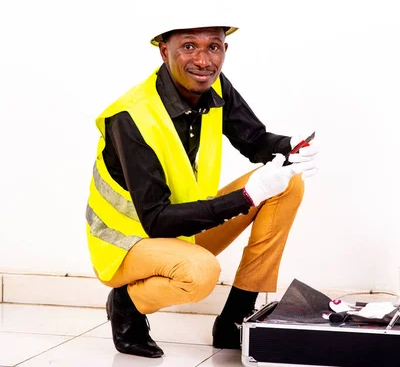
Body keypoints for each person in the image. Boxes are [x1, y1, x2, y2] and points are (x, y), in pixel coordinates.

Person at [85, 20, 319, 358]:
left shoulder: (215, 87)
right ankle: (125, 304)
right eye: (189, 46)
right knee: (200, 273)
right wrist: (247, 197)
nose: (204, 60)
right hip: (126, 243)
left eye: (214, 46)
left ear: (226, 49)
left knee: (287, 185)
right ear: (164, 50)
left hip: (182, 229)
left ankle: (235, 319)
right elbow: (157, 221)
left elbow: (253, 140)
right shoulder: (131, 116)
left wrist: (290, 146)